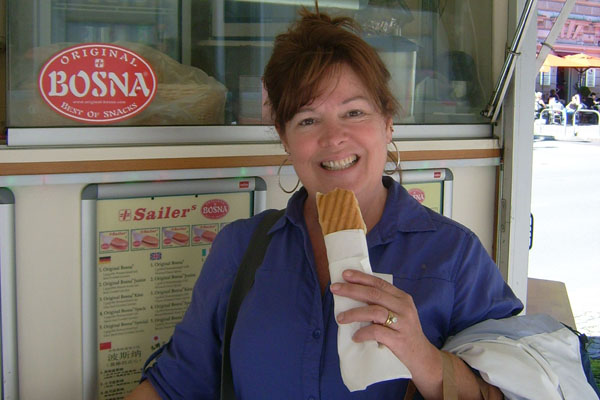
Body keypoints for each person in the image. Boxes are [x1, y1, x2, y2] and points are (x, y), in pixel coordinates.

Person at [127, 8, 522, 400]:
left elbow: (508, 390)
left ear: (387, 123)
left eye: (354, 112)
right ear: (285, 138)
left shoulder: (454, 256)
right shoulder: (240, 249)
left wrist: (424, 357)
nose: (334, 137)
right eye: (308, 120)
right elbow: (175, 386)